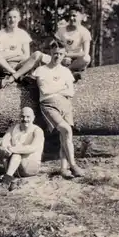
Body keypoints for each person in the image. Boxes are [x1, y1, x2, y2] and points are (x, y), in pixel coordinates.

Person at [31, 41, 85, 179]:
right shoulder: (41, 70)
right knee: (66, 130)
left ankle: (63, 168)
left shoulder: (66, 71)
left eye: (61, 54)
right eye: (55, 54)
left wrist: (59, 89)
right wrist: (62, 88)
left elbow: (71, 92)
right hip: (49, 105)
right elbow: (45, 90)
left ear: (64, 55)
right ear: (50, 53)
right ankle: (73, 165)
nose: (58, 57)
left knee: (65, 136)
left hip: (65, 104)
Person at [0, 107, 45, 194]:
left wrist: (12, 149)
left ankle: (5, 182)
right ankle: (12, 180)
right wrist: (5, 149)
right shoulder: (14, 128)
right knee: (6, 155)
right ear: (19, 117)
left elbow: (32, 148)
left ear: (33, 117)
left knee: (16, 155)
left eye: (28, 117)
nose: (25, 119)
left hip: (30, 165)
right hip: (14, 164)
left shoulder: (37, 131)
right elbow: (4, 142)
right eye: (22, 116)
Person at [0, 8, 34, 88]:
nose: (12, 20)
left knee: (34, 56)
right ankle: (14, 74)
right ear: (5, 19)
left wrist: (6, 55)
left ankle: (13, 74)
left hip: (19, 65)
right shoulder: (0, 34)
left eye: (14, 17)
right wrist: (17, 53)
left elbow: (26, 56)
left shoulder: (23, 34)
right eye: (9, 17)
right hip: (2, 67)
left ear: (19, 18)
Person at [54, 4, 92, 78]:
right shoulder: (62, 30)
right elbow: (56, 46)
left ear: (82, 17)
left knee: (86, 58)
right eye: (70, 16)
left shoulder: (85, 32)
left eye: (74, 16)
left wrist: (67, 55)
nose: (71, 18)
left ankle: (68, 70)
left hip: (76, 59)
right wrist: (62, 56)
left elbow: (85, 53)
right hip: (63, 58)